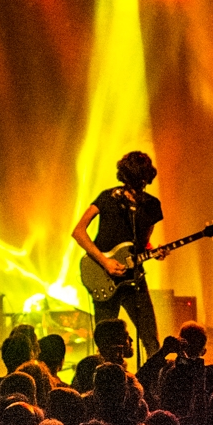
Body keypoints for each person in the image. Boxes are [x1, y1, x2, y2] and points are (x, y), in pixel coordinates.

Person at [71, 151, 164, 360]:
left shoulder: (152, 205)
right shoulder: (107, 197)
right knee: (105, 345)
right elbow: (78, 231)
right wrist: (105, 262)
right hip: (103, 277)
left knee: (151, 340)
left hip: (134, 278)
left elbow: (142, 244)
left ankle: (154, 384)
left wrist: (154, 252)